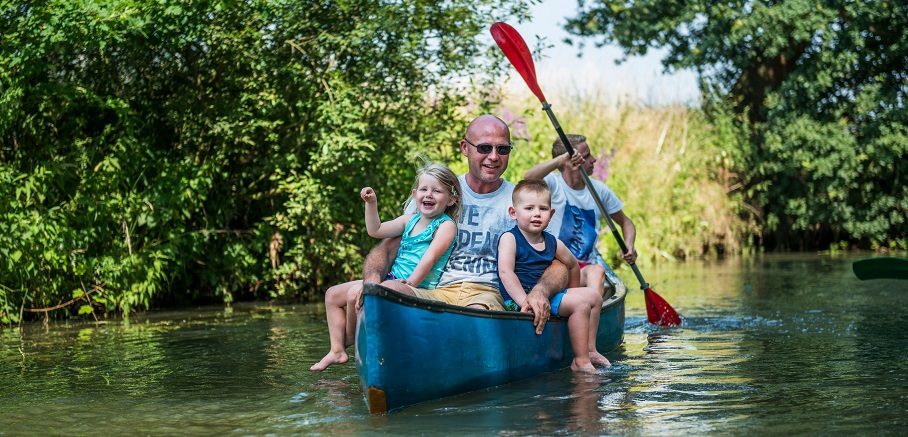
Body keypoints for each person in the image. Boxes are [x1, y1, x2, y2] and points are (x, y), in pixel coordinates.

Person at [362, 114, 568, 335]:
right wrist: (372, 281)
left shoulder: (522, 203)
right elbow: (389, 247)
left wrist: (541, 291)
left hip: (488, 295)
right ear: (464, 148)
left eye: (502, 149)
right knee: (388, 291)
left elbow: (558, 262)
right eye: (484, 148)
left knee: (475, 317)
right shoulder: (438, 193)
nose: (493, 156)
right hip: (436, 291)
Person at [310, 163, 461, 372]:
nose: (429, 194)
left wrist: (410, 282)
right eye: (424, 189)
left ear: (451, 200)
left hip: (416, 286)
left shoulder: (446, 225)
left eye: (437, 191)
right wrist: (371, 204)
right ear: (414, 194)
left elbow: (430, 258)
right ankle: (337, 349)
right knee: (332, 295)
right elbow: (376, 230)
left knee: (355, 294)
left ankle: (351, 339)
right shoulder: (410, 220)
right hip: (391, 278)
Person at [497, 179, 609, 373]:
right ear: (513, 213)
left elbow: (572, 265)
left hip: (548, 297)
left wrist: (571, 292)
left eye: (543, 208)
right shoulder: (510, 238)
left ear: (551, 213)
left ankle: (590, 349)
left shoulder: (552, 242)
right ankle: (580, 361)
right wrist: (525, 302)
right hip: (517, 300)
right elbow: (506, 273)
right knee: (580, 304)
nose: (537, 214)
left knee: (594, 296)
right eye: (529, 208)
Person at [524, 134, 636, 299]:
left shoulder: (599, 190)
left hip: (585, 266)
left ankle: (591, 309)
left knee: (600, 276)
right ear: (571, 162)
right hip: (553, 264)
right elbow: (528, 177)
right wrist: (560, 160)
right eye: (587, 156)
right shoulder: (553, 184)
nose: (594, 159)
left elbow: (626, 223)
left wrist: (629, 245)